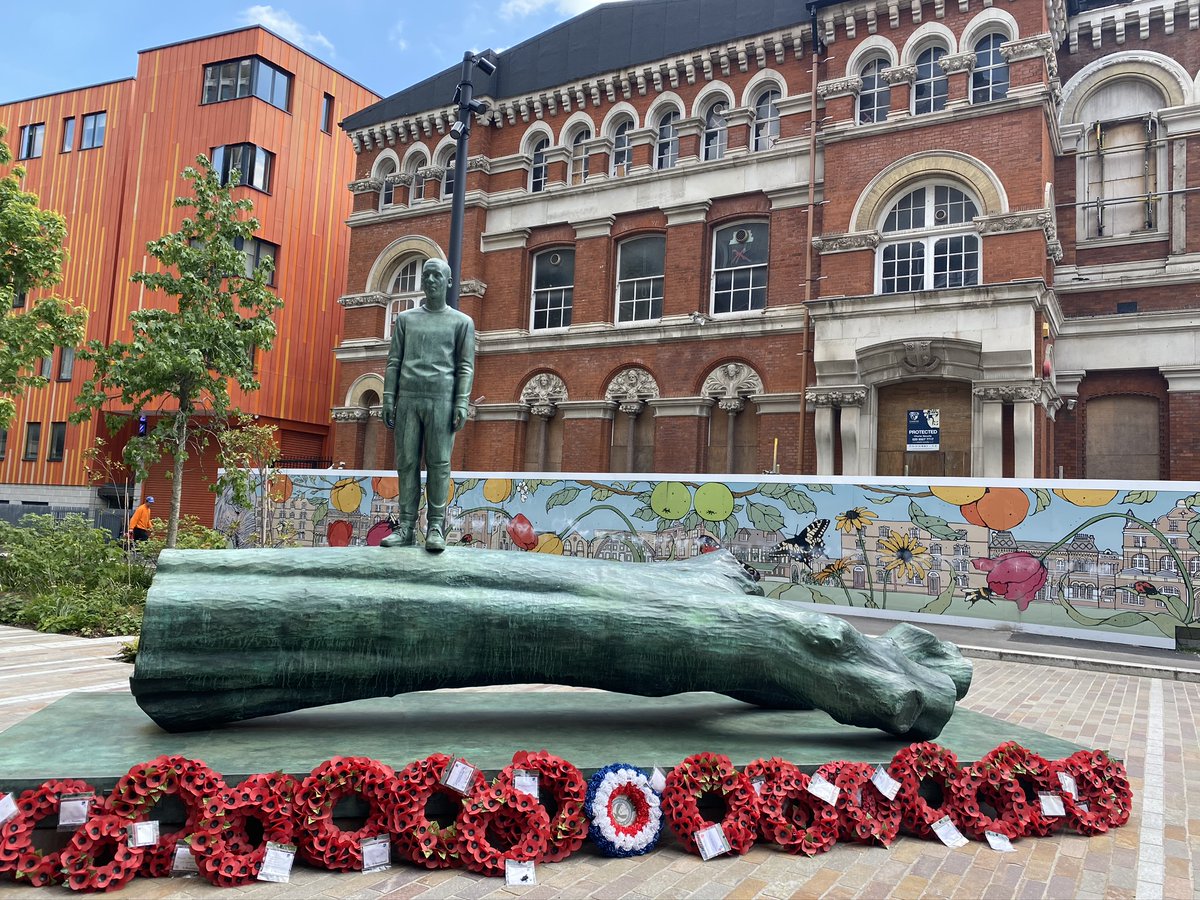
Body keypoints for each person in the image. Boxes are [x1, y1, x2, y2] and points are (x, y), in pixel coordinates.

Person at [381, 258, 475, 552]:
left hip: (441, 401)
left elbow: (465, 366)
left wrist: (461, 402)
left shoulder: (461, 323)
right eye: (427, 275)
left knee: (439, 465)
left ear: (448, 283)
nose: (431, 280)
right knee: (406, 463)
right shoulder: (407, 319)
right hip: (408, 399)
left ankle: (435, 526)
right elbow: (394, 361)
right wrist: (388, 397)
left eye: (437, 276)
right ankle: (407, 527)